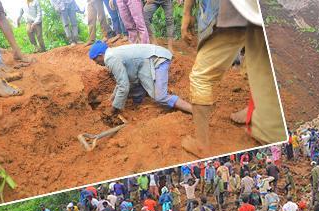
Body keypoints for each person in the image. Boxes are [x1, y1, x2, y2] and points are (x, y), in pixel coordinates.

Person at [180, 0, 285, 154]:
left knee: (200, 77)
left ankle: (201, 145)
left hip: (231, 11)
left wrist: (186, 14)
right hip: (257, 13)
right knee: (258, 62)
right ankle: (260, 119)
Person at [88, 41, 192, 115]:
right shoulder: (112, 53)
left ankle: (193, 110)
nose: (96, 63)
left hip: (158, 59)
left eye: (95, 60)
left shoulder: (110, 58)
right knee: (133, 85)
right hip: (148, 61)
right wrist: (112, 97)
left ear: (100, 55)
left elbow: (123, 86)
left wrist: (114, 108)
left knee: (160, 97)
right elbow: (121, 81)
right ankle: (139, 104)